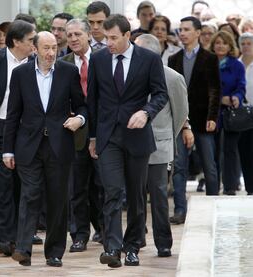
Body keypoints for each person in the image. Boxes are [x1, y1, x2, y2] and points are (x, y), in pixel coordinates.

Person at [88, 14, 168, 268]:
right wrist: (92, 135)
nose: (108, 42)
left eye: (113, 38)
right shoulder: (98, 59)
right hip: (108, 136)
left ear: (127, 35)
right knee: (112, 191)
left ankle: (133, 246)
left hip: (137, 136)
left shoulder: (149, 59)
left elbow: (160, 94)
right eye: (106, 37)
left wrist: (146, 112)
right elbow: (93, 100)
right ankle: (112, 248)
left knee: (135, 195)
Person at [3, 31, 87, 267]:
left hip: (60, 145)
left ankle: (54, 252)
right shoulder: (20, 74)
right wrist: (7, 150)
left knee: (57, 199)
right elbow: (13, 114)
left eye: (54, 48)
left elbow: (82, 105)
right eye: (46, 48)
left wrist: (79, 119)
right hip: (28, 146)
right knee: (30, 195)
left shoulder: (68, 72)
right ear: (35, 49)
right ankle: (23, 248)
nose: (51, 53)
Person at [0, 20, 36, 256]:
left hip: (26, 131)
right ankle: (7, 238)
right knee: (1, 186)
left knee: (23, 186)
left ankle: (23, 237)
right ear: (16, 41)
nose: (35, 44)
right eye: (31, 40)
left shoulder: (35, 63)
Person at [135, 34, 190, 258]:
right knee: (135, 194)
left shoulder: (172, 77)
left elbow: (180, 112)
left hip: (160, 145)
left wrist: (167, 135)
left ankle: (163, 242)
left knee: (158, 195)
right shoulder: (132, 75)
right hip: (134, 143)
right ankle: (137, 237)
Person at [168, 16, 221, 224]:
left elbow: (215, 90)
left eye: (187, 29)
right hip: (182, 122)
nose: (182, 33)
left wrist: (213, 116)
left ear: (198, 33)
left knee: (209, 165)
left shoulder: (210, 58)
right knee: (179, 167)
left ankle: (214, 205)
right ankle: (181, 210)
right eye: (180, 29)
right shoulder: (174, 59)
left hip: (203, 120)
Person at [62, 18, 103, 251]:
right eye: (69, 35)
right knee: (76, 188)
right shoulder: (63, 63)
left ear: (89, 35)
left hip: (102, 132)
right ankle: (79, 235)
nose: (74, 39)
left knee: (103, 186)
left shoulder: (102, 59)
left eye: (78, 34)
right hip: (74, 134)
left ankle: (106, 231)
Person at [209, 31, 246, 195]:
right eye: (217, 42)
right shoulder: (207, 63)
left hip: (231, 114)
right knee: (213, 150)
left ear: (230, 46)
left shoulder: (237, 65)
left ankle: (230, 186)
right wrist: (219, 99)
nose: (220, 46)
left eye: (224, 43)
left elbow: (241, 86)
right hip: (211, 113)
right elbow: (202, 88)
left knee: (230, 150)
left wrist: (236, 97)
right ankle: (213, 186)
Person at [238, 32, 253, 195]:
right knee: (244, 152)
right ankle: (250, 188)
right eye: (244, 43)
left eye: (249, 43)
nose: (246, 46)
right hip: (241, 114)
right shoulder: (236, 64)